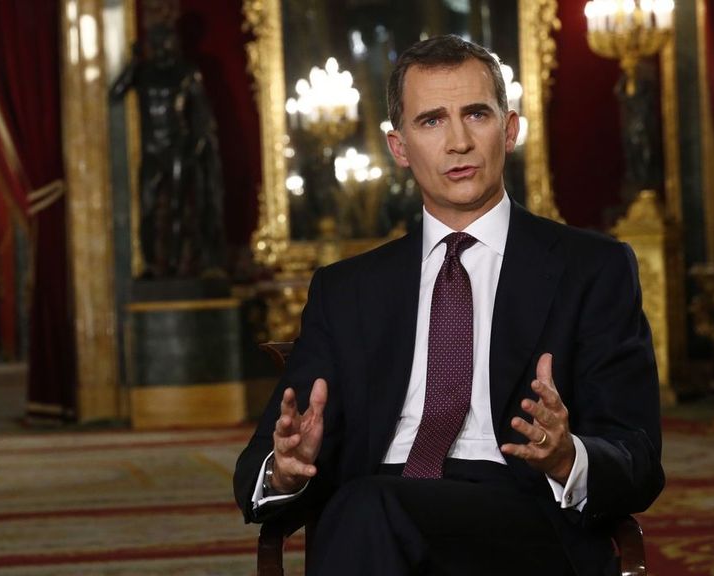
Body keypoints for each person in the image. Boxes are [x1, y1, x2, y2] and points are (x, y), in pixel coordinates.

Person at [234, 35, 663, 576]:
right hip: (378, 506)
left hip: (522, 515)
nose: (458, 142)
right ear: (399, 147)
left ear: (508, 131)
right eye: (431, 121)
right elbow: (258, 467)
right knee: (369, 509)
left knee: (365, 509)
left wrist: (567, 456)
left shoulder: (592, 269)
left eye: (476, 114)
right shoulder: (346, 290)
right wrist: (286, 472)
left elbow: (639, 460)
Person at [110, 23, 225, 279]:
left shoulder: (185, 71)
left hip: (178, 147)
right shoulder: (142, 71)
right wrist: (132, 62)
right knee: (147, 207)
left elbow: (202, 112)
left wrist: (197, 145)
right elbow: (114, 94)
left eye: (167, 40)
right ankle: (152, 263)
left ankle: (174, 265)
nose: (163, 45)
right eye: (158, 40)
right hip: (152, 149)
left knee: (177, 207)